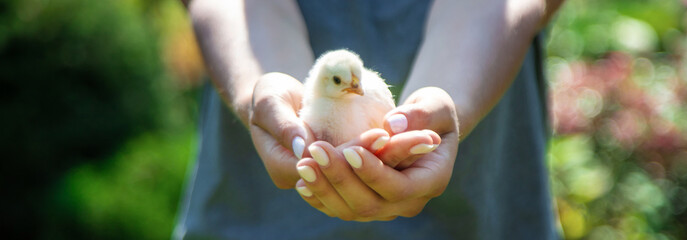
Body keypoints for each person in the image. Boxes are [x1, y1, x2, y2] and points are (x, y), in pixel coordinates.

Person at [174, 0, 563, 239]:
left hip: (475, 216)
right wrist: (264, 92)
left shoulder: (362, 91)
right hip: (256, 219)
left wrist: (446, 104)